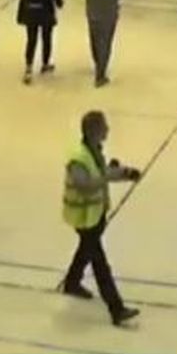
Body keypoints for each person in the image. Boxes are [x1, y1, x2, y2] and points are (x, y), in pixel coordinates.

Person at [59, 111, 141, 326]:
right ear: (95, 131)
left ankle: (72, 282)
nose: (108, 129)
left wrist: (124, 173)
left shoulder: (93, 151)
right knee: (100, 264)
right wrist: (108, 175)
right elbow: (84, 185)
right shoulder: (78, 157)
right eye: (105, 126)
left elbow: (101, 173)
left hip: (94, 214)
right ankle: (116, 308)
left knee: (86, 251)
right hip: (83, 217)